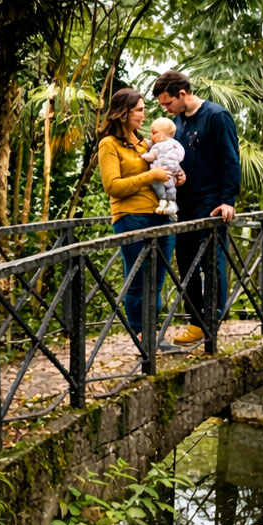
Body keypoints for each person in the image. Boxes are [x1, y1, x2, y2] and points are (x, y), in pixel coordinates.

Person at [96, 88, 198, 348]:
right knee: (138, 279)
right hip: (131, 218)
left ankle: (152, 336)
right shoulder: (108, 144)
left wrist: (177, 176)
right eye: (139, 110)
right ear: (123, 112)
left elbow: (162, 167)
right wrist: (150, 177)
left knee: (158, 280)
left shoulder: (146, 143)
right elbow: (112, 186)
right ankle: (142, 337)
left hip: (161, 217)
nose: (144, 115)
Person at [151, 70, 241, 345]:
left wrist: (228, 200)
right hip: (183, 203)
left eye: (168, 103)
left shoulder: (216, 116)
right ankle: (196, 322)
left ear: (182, 93)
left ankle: (212, 320)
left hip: (212, 202)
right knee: (186, 261)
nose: (165, 109)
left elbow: (230, 158)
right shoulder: (176, 123)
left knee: (211, 260)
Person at [140, 117, 184, 215]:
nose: (151, 136)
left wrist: (143, 156)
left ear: (162, 135)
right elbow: (179, 157)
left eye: (154, 133)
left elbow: (152, 156)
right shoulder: (176, 144)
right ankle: (171, 204)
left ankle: (162, 201)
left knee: (157, 185)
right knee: (171, 188)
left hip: (160, 171)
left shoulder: (158, 146)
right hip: (172, 171)